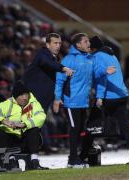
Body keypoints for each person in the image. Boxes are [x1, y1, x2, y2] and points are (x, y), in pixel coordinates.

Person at [53, 33, 115, 168]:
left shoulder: (90, 59)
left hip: (84, 102)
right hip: (71, 101)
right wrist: (57, 98)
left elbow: (97, 74)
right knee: (74, 129)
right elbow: (59, 81)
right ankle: (72, 160)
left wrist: (105, 71)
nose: (89, 44)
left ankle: (74, 159)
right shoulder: (68, 60)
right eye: (86, 41)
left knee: (80, 129)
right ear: (78, 45)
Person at [81, 36, 129, 164]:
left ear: (94, 48)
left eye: (90, 47)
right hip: (122, 95)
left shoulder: (97, 57)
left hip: (109, 96)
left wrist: (99, 97)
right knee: (126, 127)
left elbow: (102, 78)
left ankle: (82, 157)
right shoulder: (112, 55)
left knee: (92, 125)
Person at [0, 81, 48, 170]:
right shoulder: (7, 104)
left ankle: (35, 161)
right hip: (11, 141)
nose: (25, 98)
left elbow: (41, 116)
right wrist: (3, 121)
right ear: (15, 96)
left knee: (34, 130)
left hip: (27, 142)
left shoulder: (34, 104)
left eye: (26, 95)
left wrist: (24, 124)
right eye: (22, 95)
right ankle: (11, 161)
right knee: (0, 132)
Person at [22, 33, 73, 113]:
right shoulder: (42, 53)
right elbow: (47, 62)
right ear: (48, 45)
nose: (58, 46)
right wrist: (63, 68)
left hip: (43, 100)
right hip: (32, 98)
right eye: (55, 43)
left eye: (59, 43)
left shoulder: (55, 59)